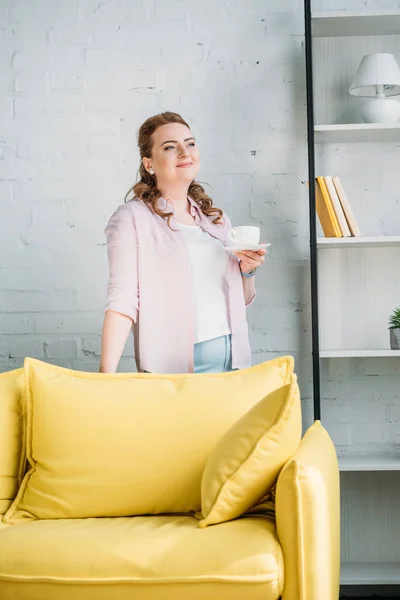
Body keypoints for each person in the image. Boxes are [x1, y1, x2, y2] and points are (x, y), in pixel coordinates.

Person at [99, 111, 267, 374]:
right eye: (170, 147)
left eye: (190, 143)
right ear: (149, 163)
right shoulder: (132, 218)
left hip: (233, 362)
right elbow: (122, 301)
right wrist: (105, 377)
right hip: (173, 369)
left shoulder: (217, 220)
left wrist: (248, 270)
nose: (184, 152)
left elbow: (241, 298)